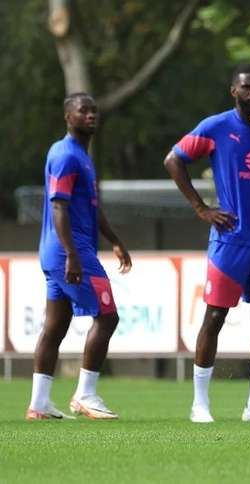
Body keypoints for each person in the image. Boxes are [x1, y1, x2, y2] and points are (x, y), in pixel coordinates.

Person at [164, 64, 250, 423]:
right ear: (234, 91)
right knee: (215, 316)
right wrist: (201, 207)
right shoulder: (215, 127)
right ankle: (200, 404)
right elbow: (174, 159)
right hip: (230, 242)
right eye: (248, 87)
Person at [28, 92, 133, 421]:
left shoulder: (82, 157)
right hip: (70, 251)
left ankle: (39, 403)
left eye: (94, 110)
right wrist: (72, 254)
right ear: (67, 117)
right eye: (82, 110)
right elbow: (59, 207)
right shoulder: (65, 154)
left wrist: (114, 239)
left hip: (61, 251)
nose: (90, 115)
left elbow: (90, 207)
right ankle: (85, 395)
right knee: (108, 316)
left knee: (55, 327)